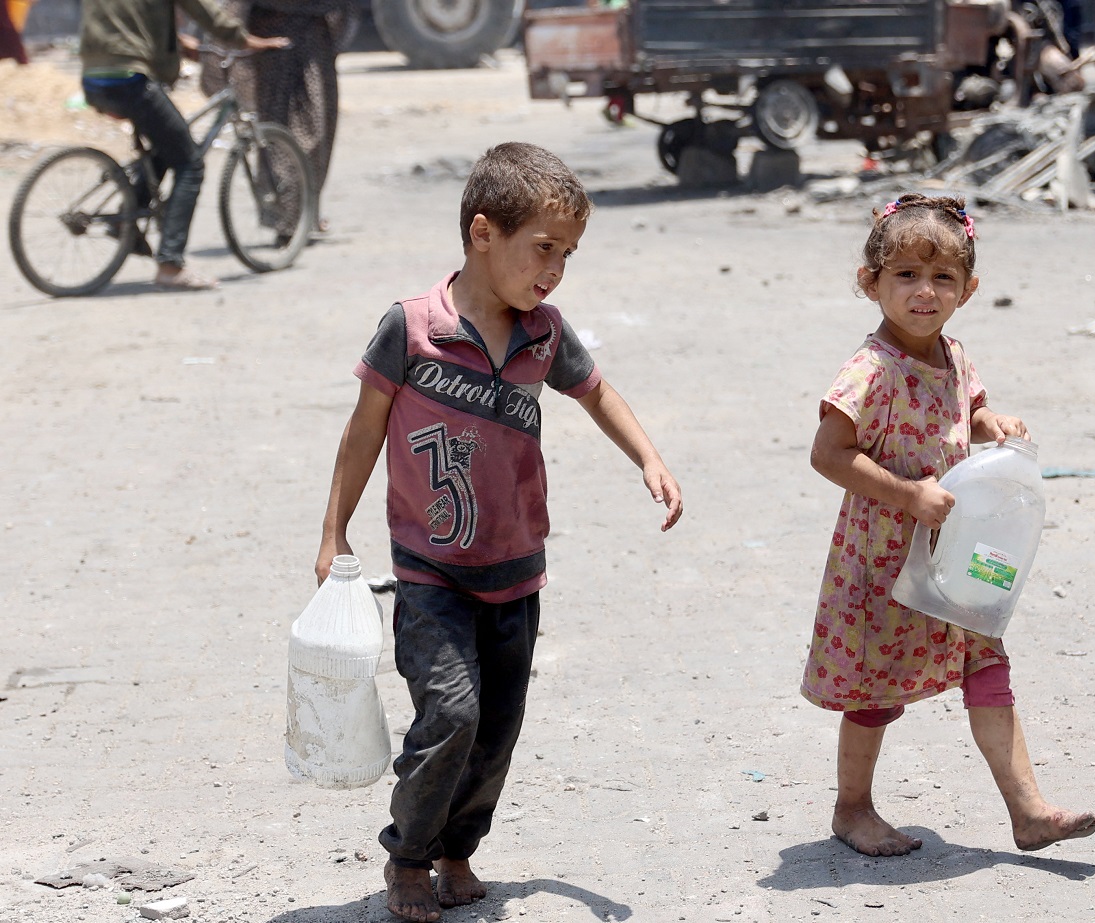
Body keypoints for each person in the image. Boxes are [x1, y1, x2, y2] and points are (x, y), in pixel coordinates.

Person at [314, 141, 684, 923]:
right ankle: (408, 856)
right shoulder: (410, 328)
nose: (554, 270)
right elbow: (362, 431)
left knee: (498, 727)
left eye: (568, 255)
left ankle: (458, 849)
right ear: (484, 233)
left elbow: (597, 391)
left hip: (516, 570)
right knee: (450, 712)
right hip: (431, 569)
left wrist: (648, 457)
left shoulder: (543, 332)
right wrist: (333, 533)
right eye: (543, 248)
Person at [801, 194, 1095, 858]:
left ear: (968, 290)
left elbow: (972, 409)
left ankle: (1029, 812)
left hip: (956, 557)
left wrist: (995, 424)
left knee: (987, 661)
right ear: (870, 282)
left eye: (942, 278)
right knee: (874, 692)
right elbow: (829, 453)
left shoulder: (955, 355)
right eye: (905, 274)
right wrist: (907, 494)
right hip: (884, 563)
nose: (923, 292)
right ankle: (852, 807)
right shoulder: (869, 371)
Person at [79, 0, 287, 290]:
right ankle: (170, 265)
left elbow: (124, 23)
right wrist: (246, 40)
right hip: (130, 77)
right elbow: (206, 13)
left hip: (94, 78)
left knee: (169, 146)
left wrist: (175, 42)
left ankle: (124, 219)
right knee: (190, 164)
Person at [203, 0, 352, 234]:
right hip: (289, 40)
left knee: (285, 126)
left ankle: (296, 215)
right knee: (302, 128)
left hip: (287, 36)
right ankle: (291, 219)